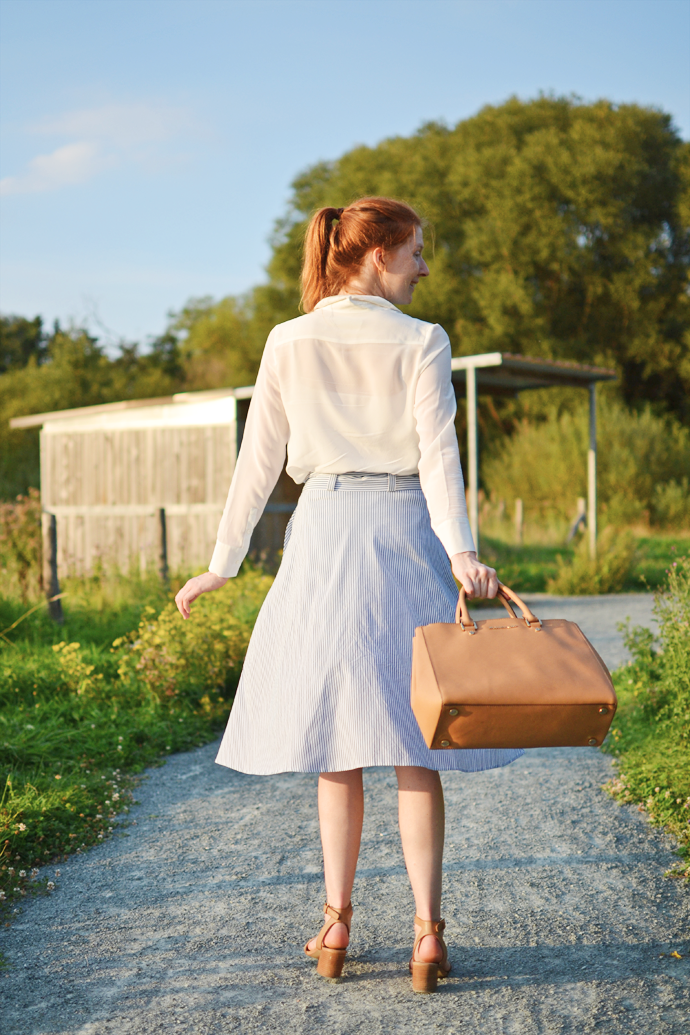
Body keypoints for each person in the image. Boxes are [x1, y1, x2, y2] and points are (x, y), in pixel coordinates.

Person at [175, 197, 523, 993]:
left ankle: (335, 924)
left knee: (335, 746)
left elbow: (258, 460)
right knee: (415, 741)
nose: (424, 268)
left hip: (324, 533)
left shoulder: (288, 341)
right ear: (376, 254)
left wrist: (223, 563)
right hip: (403, 533)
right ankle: (427, 935)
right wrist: (462, 553)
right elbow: (440, 457)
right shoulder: (422, 341)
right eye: (416, 253)